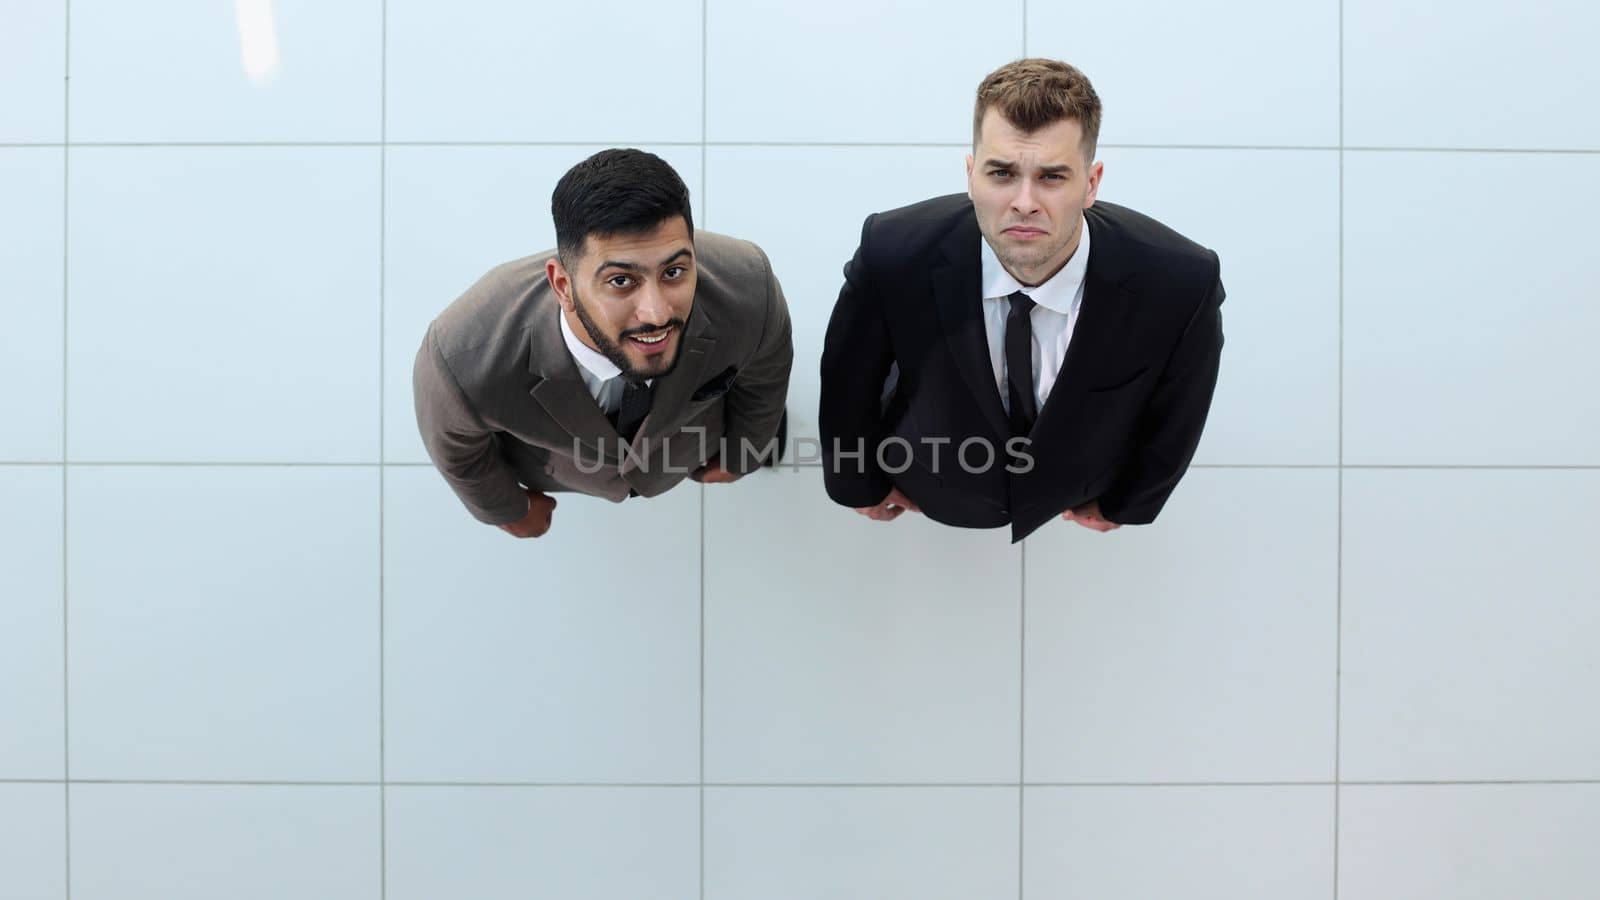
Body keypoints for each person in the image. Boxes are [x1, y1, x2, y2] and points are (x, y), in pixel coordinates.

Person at [819, 58, 1224, 542]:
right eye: (1002, 173)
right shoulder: (893, 250)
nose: (1025, 201)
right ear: (971, 175)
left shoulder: (1179, 279)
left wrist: (1129, 503)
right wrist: (856, 485)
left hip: (1079, 491)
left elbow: (1179, 411)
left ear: (1091, 183)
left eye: (1052, 177)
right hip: (935, 488)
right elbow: (849, 382)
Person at [414, 148, 792, 538]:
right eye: (621, 281)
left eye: (674, 272)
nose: (657, 313)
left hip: (690, 439)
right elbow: (457, 449)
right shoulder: (464, 354)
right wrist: (507, 509)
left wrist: (741, 456)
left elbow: (765, 377)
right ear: (564, 286)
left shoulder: (749, 288)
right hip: (562, 469)